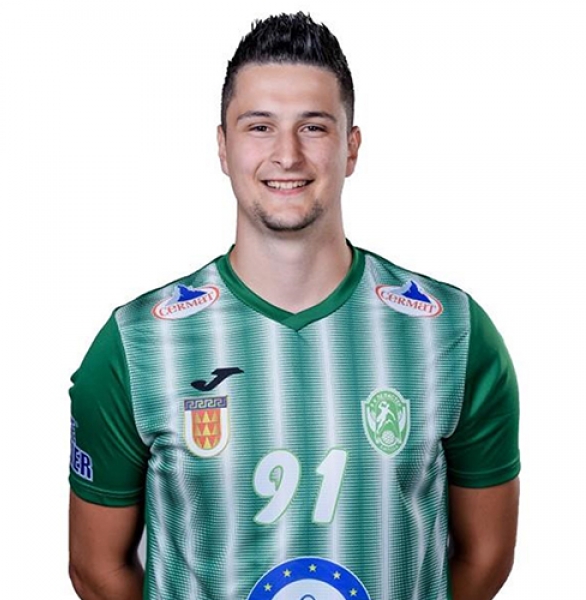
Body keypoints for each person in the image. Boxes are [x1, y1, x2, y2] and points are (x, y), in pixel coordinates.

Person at [68, 12, 520, 600]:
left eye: (313, 127)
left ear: (351, 147)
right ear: (223, 147)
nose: (287, 155)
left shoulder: (453, 333)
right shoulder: (136, 344)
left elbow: (486, 555)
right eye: (260, 127)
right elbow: (96, 569)